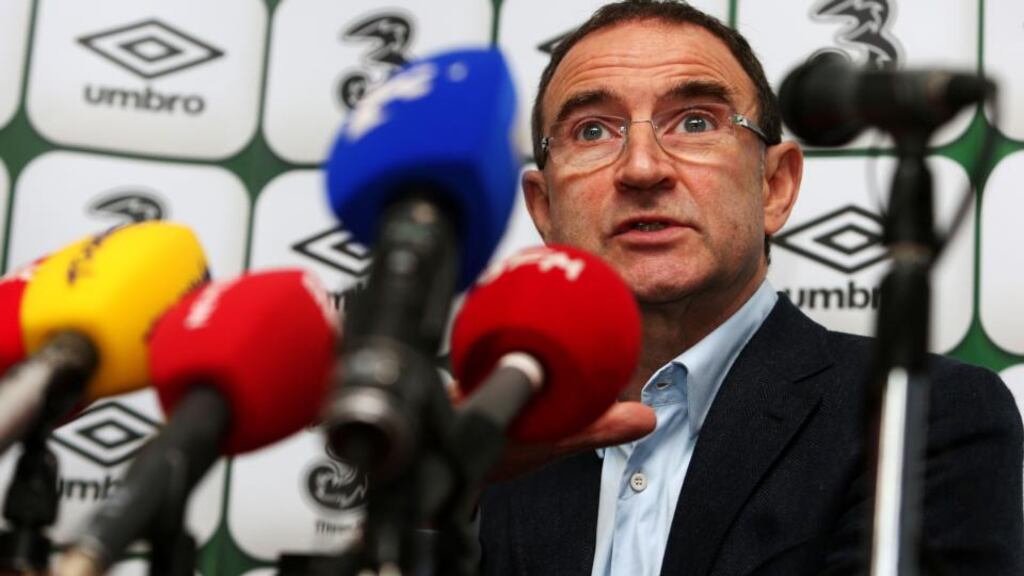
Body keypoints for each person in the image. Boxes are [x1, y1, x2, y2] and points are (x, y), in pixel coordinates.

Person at [477, 1, 1024, 575]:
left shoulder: (924, 415)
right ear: (544, 208)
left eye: (694, 121)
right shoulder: (507, 441)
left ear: (775, 187)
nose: (641, 168)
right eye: (592, 130)